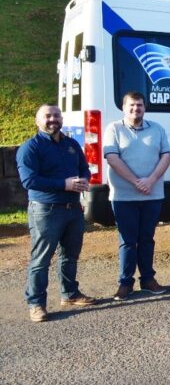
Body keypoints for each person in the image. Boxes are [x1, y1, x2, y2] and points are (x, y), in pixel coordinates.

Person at [16, 104, 97, 322]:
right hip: (46, 211)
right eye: (47, 116)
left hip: (73, 210)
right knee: (41, 260)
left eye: (56, 115)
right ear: (38, 121)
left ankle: (69, 294)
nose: (53, 119)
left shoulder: (70, 144)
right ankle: (36, 304)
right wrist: (65, 184)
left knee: (70, 255)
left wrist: (84, 180)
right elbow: (29, 180)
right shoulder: (30, 148)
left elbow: (84, 168)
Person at [103, 92, 170, 300]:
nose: (136, 109)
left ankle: (148, 280)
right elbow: (112, 159)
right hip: (123, 197)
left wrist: (150, 181)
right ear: (124, 108)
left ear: (144, 107)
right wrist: (136, 182)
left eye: (140, 105)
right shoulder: (114, 129)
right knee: (127, 241)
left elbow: (166, 157)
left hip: (152, 195)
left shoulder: (157, 129)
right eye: (132, 105)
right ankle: (125, 283)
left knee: (147, 239)